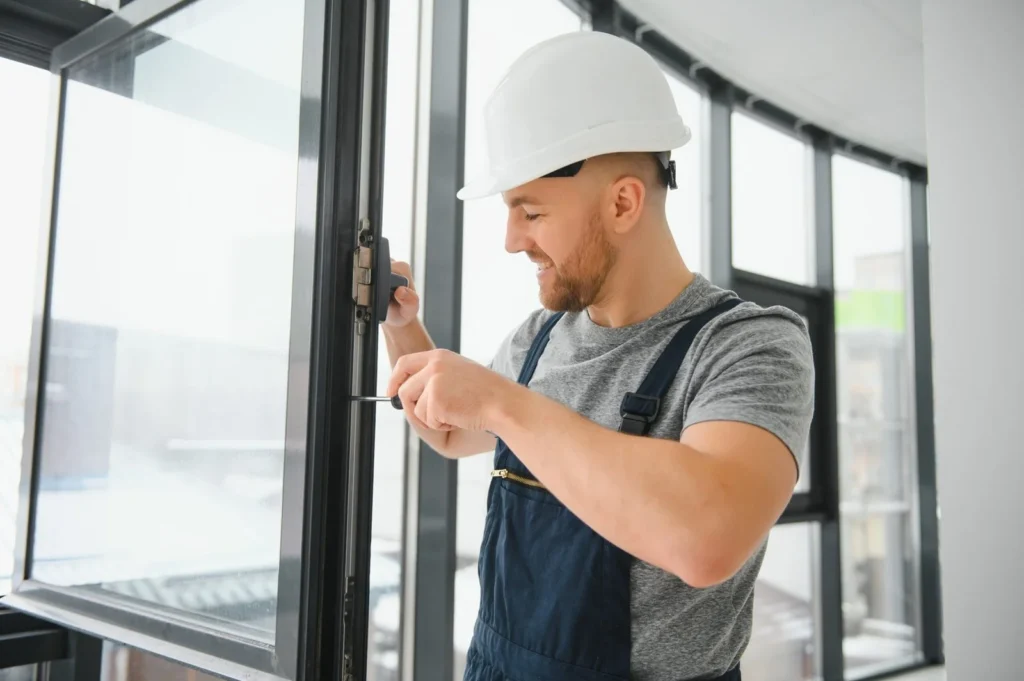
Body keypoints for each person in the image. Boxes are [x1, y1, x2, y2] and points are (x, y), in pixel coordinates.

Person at [383, 31, 814, 681]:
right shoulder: (539, 340)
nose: (510, 240)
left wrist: (503, 402)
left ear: (622, 202)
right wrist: (403, 328)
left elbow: (707, 537)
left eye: (529, 211)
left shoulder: (747, 344)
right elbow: (448, 431)